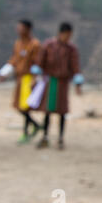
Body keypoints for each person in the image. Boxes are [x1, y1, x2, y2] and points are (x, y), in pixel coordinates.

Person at [33, 22, 83, 150]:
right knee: (47, 111)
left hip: (63, 83)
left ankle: (61, 138)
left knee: (62, 111)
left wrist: (78, 84)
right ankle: (45, 136)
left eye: (70, 36)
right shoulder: (48, 45)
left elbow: (75, 66)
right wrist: (36, 77)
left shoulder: (71, 49)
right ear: (61, 33)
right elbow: (40, 62)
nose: (68, 38)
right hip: (50, 82)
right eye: (67, 35)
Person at [0, 19, 41, 144]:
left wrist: (35, 78)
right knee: (19, 106)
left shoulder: (35, 44)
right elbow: (14, 59)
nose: (18, 30)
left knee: (25, 107)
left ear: (28, 29)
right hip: (19, 78)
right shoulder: (18, 44)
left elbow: (37, 62)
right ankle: (34, 126)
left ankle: (26, 132)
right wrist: (4, 73)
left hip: (28, 78)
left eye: (21, 28)